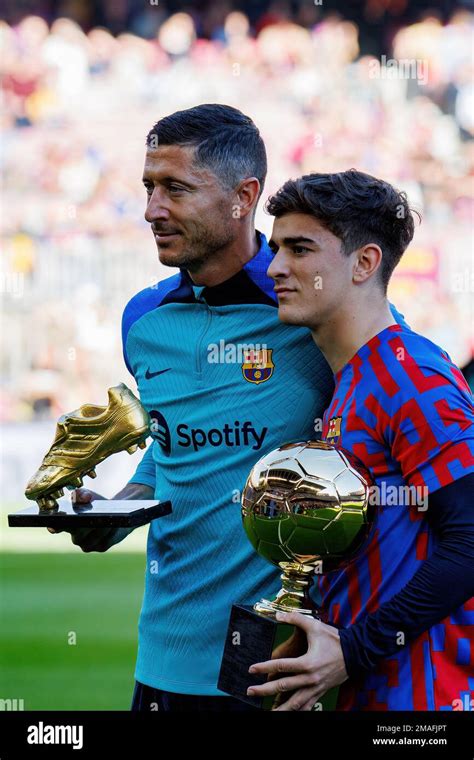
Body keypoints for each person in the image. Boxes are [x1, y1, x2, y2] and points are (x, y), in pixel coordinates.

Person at [50, 104, 338, 711]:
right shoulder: (143, 321)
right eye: (149, 188)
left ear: (244, 197)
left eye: (175, 188)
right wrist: (118, 508)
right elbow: (170, 444)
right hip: (159, 659)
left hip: (272, 663)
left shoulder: (315, 313)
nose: (153, 209)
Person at [246, 169, 474, 711]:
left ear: (364, 263)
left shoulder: (411, 375)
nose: (276, 267)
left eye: (300, 249)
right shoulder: (349, 382)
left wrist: (353, 649)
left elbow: (471, 540)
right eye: (276, 248)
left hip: (423, 703)